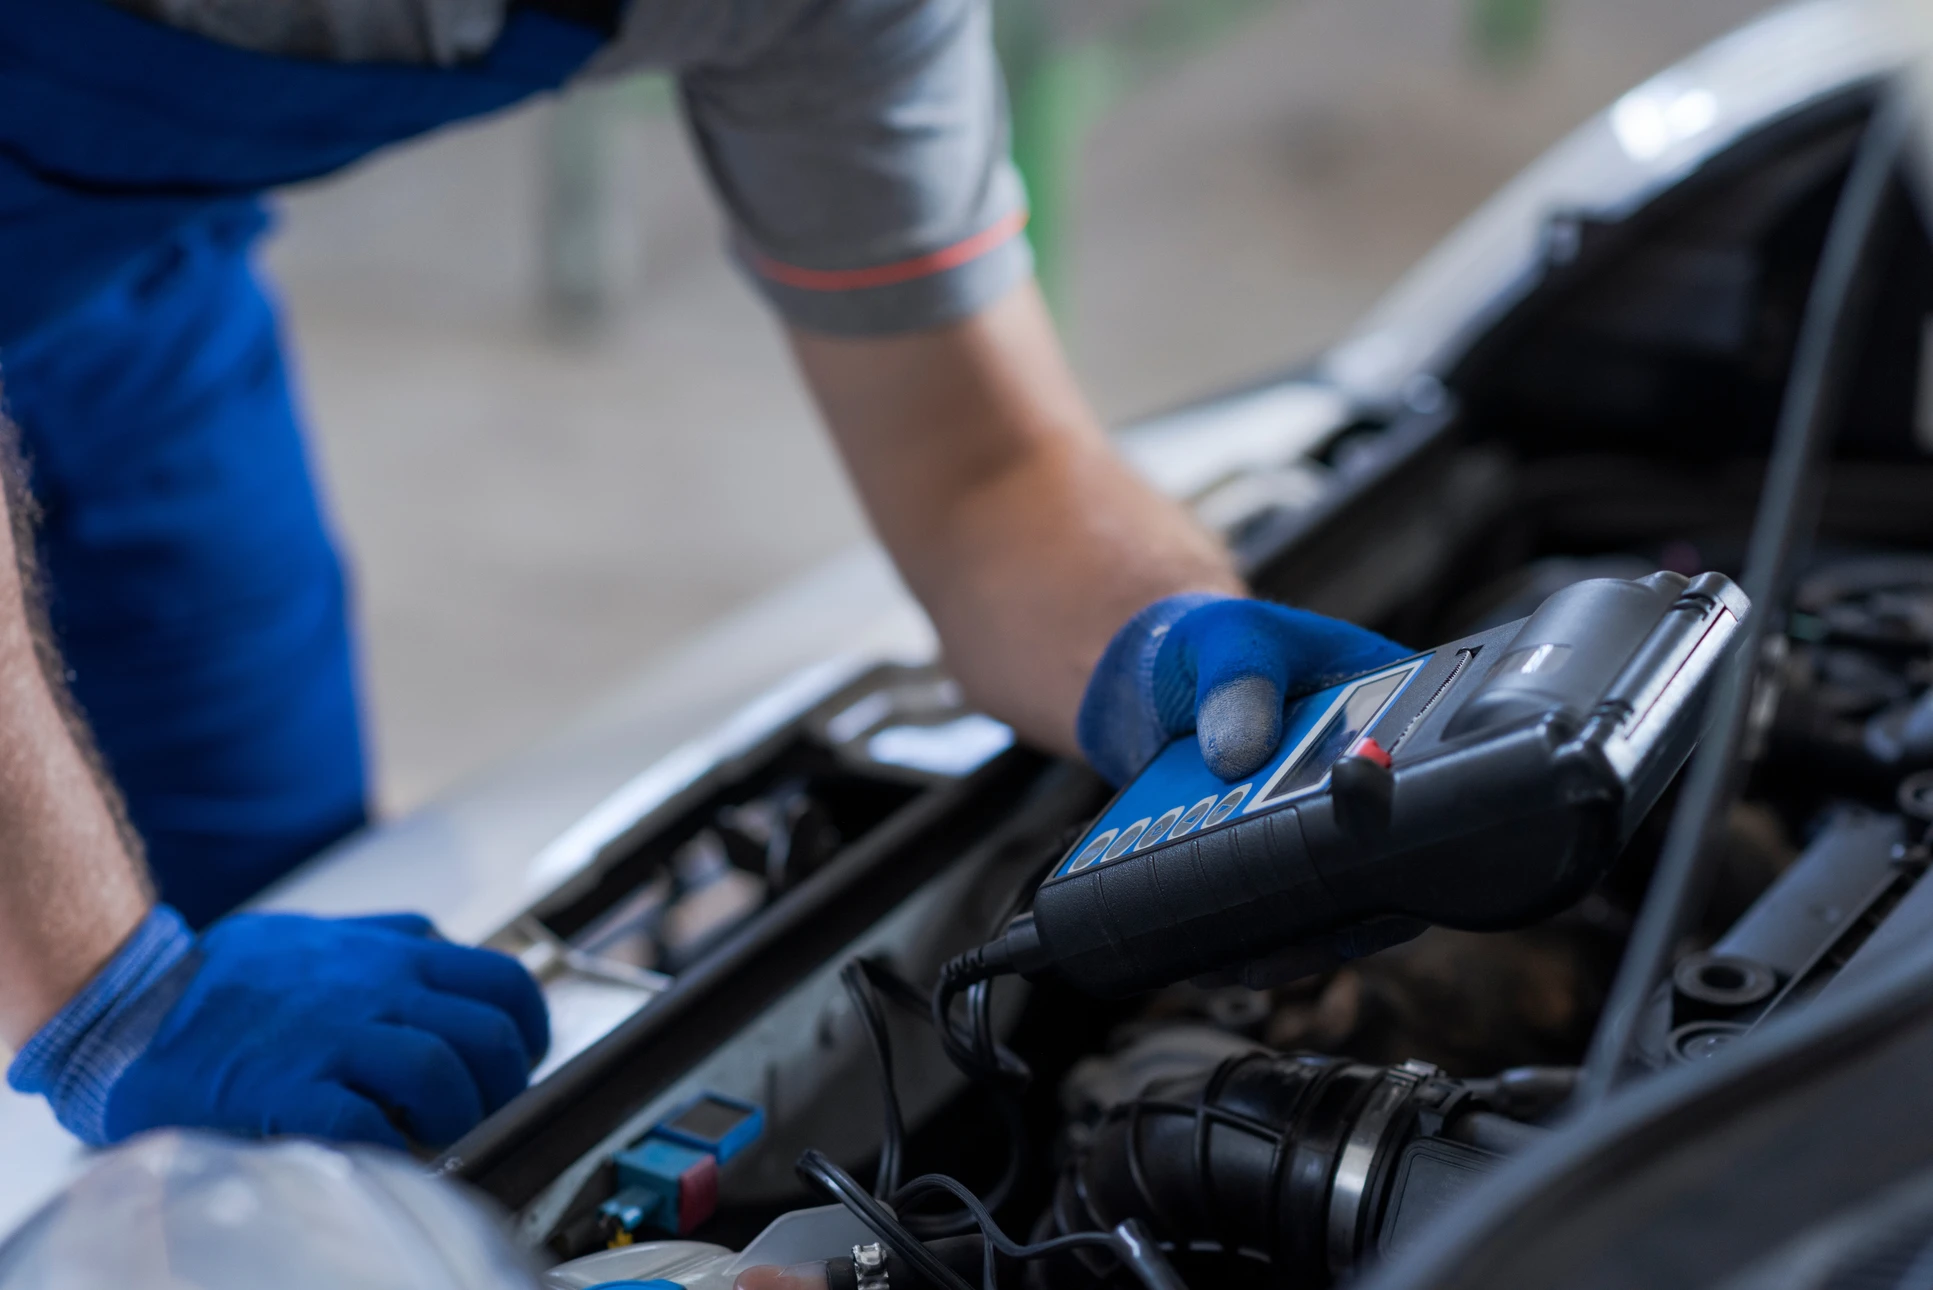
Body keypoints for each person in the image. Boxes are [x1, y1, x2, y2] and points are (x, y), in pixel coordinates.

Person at [0, 0, 1406, 1149]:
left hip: (123, 300)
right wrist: (103, 993)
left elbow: (982, 469)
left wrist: (1155, 636)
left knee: (289, 905)